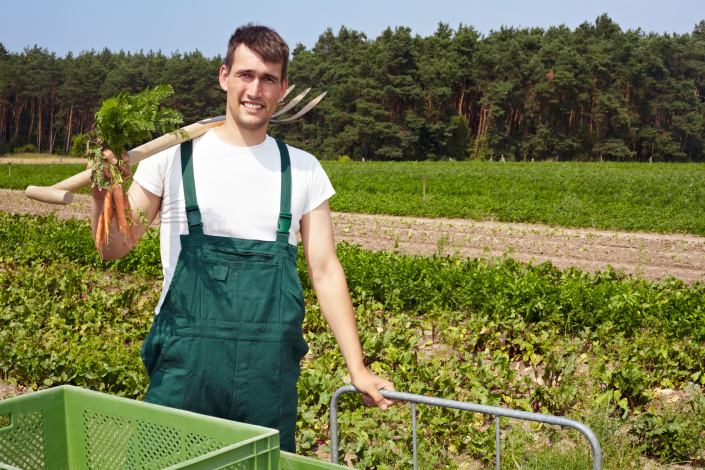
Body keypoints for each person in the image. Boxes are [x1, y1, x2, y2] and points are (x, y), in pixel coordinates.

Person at [90, 24, 395, 452]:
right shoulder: (169, 159)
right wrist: (104, 187)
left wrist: (358, 368)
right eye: (246, 75)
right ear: (224, 77)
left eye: (268, 79)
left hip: (267, 379)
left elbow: (325, 271)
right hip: (184, 369)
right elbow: (112, 248)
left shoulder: (303, 169)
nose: (256, 89)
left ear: (283, 89)